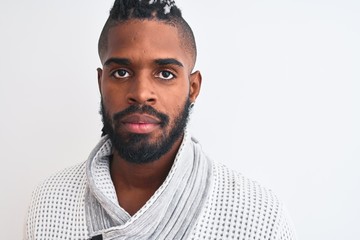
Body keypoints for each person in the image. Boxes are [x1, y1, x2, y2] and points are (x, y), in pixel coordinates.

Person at [25, 0, 297, 239]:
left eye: (165, 73)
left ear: (193, 88)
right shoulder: (48, 202)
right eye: (121, 72)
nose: (141, 94)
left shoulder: (259, 218)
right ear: (101, 82)